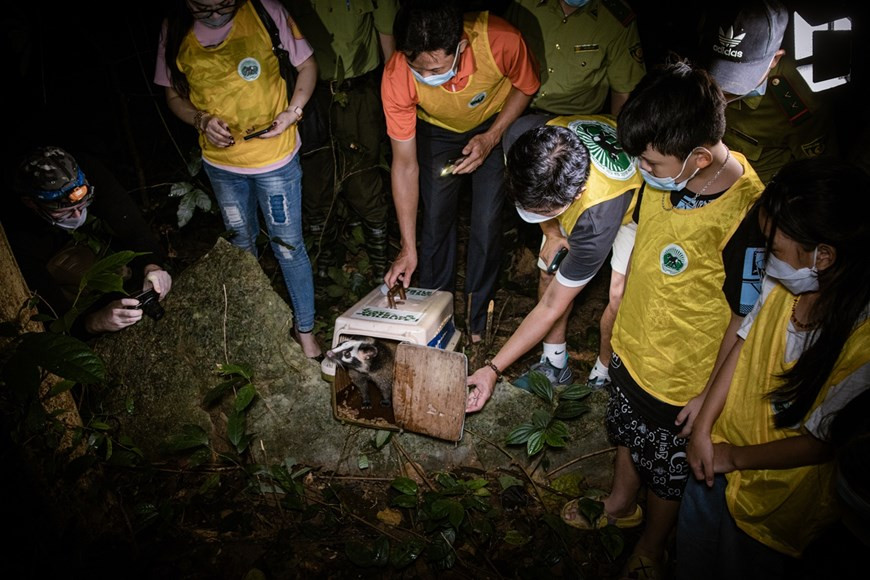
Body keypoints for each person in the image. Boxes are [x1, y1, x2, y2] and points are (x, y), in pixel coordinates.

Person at [554, 60, 766, 579]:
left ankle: (652, 545)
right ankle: (620, 502)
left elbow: (747, 320)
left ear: (697, 156)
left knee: (669, 473)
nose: (642, 172)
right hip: (635, 346)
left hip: (684, 378)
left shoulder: (749, 217)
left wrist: (709, 397)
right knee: (628, 433)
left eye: (650, 163)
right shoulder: (667, 174)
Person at [677, 158, 870, 579]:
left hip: (777, 501)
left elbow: (819, 442)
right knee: (692, 557)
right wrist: (705, 429)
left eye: (775, 248)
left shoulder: (863, 347)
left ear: (823, 256)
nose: (767, 257)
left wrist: (733, 457)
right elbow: (742, 348)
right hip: (716, 456)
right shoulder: (783, 284)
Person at [154, 0, 321, 357]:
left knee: (288, 246)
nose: (215, 14)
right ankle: (256, 325)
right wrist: (200, 120)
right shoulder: (174, 27)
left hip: (275, 158)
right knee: (241, 245)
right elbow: (172, 94)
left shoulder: (266, 12)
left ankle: (305, 331)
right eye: (203, 8)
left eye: (224, 4)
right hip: (222, 164)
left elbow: (306, 65)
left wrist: (293, 111)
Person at [380, 0, 540, 343]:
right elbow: (405, 165)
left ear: (461, 47)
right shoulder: (396, 75)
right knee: (435, 219)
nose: (430, 78)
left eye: (437, 69)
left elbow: (526, 86)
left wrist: (493, 137)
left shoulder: (500, 40)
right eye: (419, 69)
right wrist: (408, 247)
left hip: (493, 124)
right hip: (436, 131)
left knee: (486, 220)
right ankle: (437, 317)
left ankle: (477, 319)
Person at [465, 117, 641, 407]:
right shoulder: (522, 138)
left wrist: (493, 369)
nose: (533, 214)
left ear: (577, 193)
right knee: (551, 269)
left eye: (543, 211)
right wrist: (552, 230)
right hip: (568, 195)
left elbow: (551, 306)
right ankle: (555, 363)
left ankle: (605, 370)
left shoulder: (597, 219)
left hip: (630, 209)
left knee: (619, 294)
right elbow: (538, 201)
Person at [3, 146, 172, 338]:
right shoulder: (17, 230)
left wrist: (152, 267)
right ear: (31, 203)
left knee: (124, 270)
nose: (77, 214)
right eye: (65, 211)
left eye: (82, 205)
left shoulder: (89, 171)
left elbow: (131, 224)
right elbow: (49, 305)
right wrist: (95, 322)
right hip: (51, 255)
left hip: (92, 238)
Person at [288, 0, 397, 280]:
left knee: (363, 179)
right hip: (309, 95)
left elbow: (389, 47)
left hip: (358, 92)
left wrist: (394, 98)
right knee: (314, 183)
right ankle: (323, 265)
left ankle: (380, 268)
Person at [700, 0, 841, 184]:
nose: (719, 93)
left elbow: (820, 174)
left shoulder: (797, 101)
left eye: (735, 83)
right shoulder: (693, 62)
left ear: (774, 59)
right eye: (716, 74)